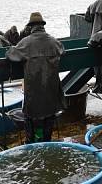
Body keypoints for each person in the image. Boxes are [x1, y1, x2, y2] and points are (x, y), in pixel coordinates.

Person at [6, 12, 65, 142]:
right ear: (42, 26)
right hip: (51, 86)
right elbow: (62, 49)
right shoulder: (54, 42)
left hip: (34, 88)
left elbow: (11, 55)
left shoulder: (26, 43)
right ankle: (47, 140)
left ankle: (30, 142)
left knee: (29, 115)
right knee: (50, 113)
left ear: (30, 27)